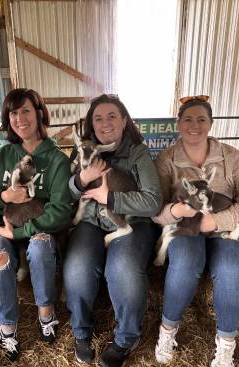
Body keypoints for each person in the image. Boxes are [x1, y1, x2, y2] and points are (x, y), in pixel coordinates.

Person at [152, 96, 239, 367]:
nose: (194, 125)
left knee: (232, 266)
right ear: (178, 124)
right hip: (185, 225)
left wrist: (217, 221)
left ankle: (226, 344)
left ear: (211, 124)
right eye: (187, 119)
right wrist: (177, 212)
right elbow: (155, 209)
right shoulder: (166, 160)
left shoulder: (230, 156)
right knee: (186, 262)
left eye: (201, 119)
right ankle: (167, 330)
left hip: (224, 223)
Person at [63, 94, 162, 367]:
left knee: (123, 269)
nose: (105, 123)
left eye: (112, 116)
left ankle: (125, 339)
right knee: (78, 267)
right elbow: (64, 196)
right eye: (98, 118)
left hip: (131, 221)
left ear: (124, 121)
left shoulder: (138, 152)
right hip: (91, 222)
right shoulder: (82, 150)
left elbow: (153, 202)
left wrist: (111, 199)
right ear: (90, 125)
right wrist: (78, 182)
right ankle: (81, 332)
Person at [0, 88, 72, 361]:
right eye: (13, 113)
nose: (20, 118)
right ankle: (7, 328)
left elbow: (59, 211)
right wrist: (4, 196)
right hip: (6, 224)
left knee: (41, 246)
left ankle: (46, 315)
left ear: (39, 113)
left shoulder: (57, 160)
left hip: (35, 229)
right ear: (7, 118)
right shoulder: (3, 156)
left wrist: (20, 233)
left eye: (26, 111)